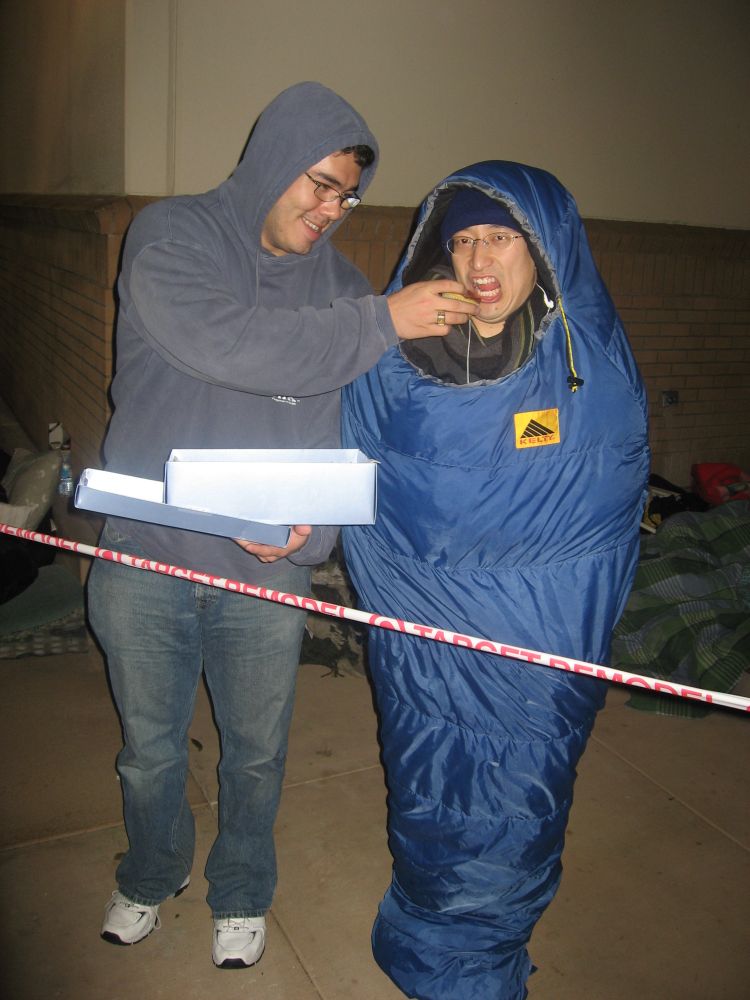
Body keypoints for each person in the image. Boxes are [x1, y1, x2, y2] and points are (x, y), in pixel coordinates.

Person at [87, 81, 475, 970]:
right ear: (271, 160)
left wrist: (308, 525)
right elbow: (230, 344)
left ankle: (244, 891)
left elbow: (328, 424)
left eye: (347, 195)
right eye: (318, 183)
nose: (331, 209)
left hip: (265, 568)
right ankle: (150, 872)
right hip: (146, 555)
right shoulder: (170, 237)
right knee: (149, 754)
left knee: (255, 757)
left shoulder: (337, 287)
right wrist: (382, 320)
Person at [341, 163, 650, 998]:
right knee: (426, 778)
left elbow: (609, 496)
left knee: (517, 796)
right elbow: (358, 466)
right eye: (464, 238)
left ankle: (473, 959)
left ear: (543, 249)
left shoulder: (588, 359)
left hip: (536, 641)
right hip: (423, 626)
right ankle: (425, 926)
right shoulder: (397, 348)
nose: (479, 258)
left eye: (501, 237)